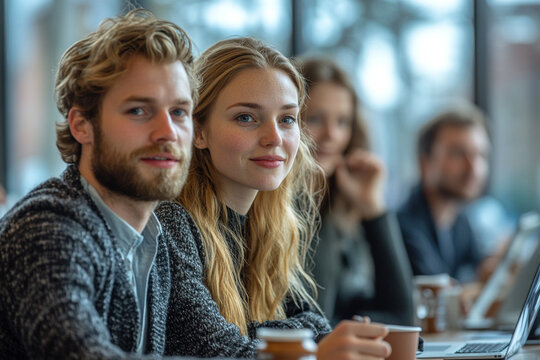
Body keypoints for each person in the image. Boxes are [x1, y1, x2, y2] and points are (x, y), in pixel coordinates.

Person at [156, 38, 391, 360]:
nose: (274, 137)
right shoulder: (171, 221)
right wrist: (304, 343)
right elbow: (216, 349)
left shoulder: (273, 224)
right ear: (198, 131)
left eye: (287, 119)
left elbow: (315, 321)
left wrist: (287, 336)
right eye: (246, 118)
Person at [0, 9, 198, 358]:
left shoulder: (154, 235)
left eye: (179, 112)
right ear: (82, 126)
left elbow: (213, 343)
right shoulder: (48, 227)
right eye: (139, 110)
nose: (168, 132)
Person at [296, 57, 414, 326]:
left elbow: (400, 315)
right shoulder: (278, 212)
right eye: (315, 119)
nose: (332, 135)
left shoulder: (340, 208)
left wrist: (373, 209)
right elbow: (317, 319)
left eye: (343, 122)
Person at [397, 103, 490, 283]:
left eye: (480, 155)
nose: (473, 168)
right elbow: (439, 292)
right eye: (458, 153)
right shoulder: (403, 226)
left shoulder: (460, 221)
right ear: (425, 164)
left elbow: (475, 268)